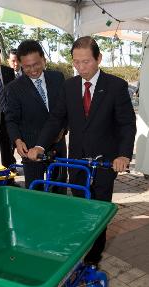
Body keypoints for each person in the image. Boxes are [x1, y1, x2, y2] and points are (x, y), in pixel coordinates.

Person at [28, 36, 136, 265]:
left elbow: (127, 124)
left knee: (98, 210)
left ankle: (93, 258)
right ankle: (80, 249)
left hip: (105, 162)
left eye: (85, 61)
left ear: (99, 58)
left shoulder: (116, 86)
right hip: (77, 161)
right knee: (79, 208)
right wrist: (39, 145)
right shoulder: (69, 86)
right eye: (76, 62)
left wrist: (123, 154)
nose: (80, 67)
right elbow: (56, 119)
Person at [5, 39, 67, 189]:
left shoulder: (58, 78)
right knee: (34, 191)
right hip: (30, 148)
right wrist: (17, 140)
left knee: (59, 189)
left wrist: (64, 129)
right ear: (20, 64)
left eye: (36, 64)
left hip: (57, 145)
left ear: (44, 60)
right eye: (27, 66)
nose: (33, 70)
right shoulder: (13, 88)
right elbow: (11, 119)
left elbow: (66, 109)